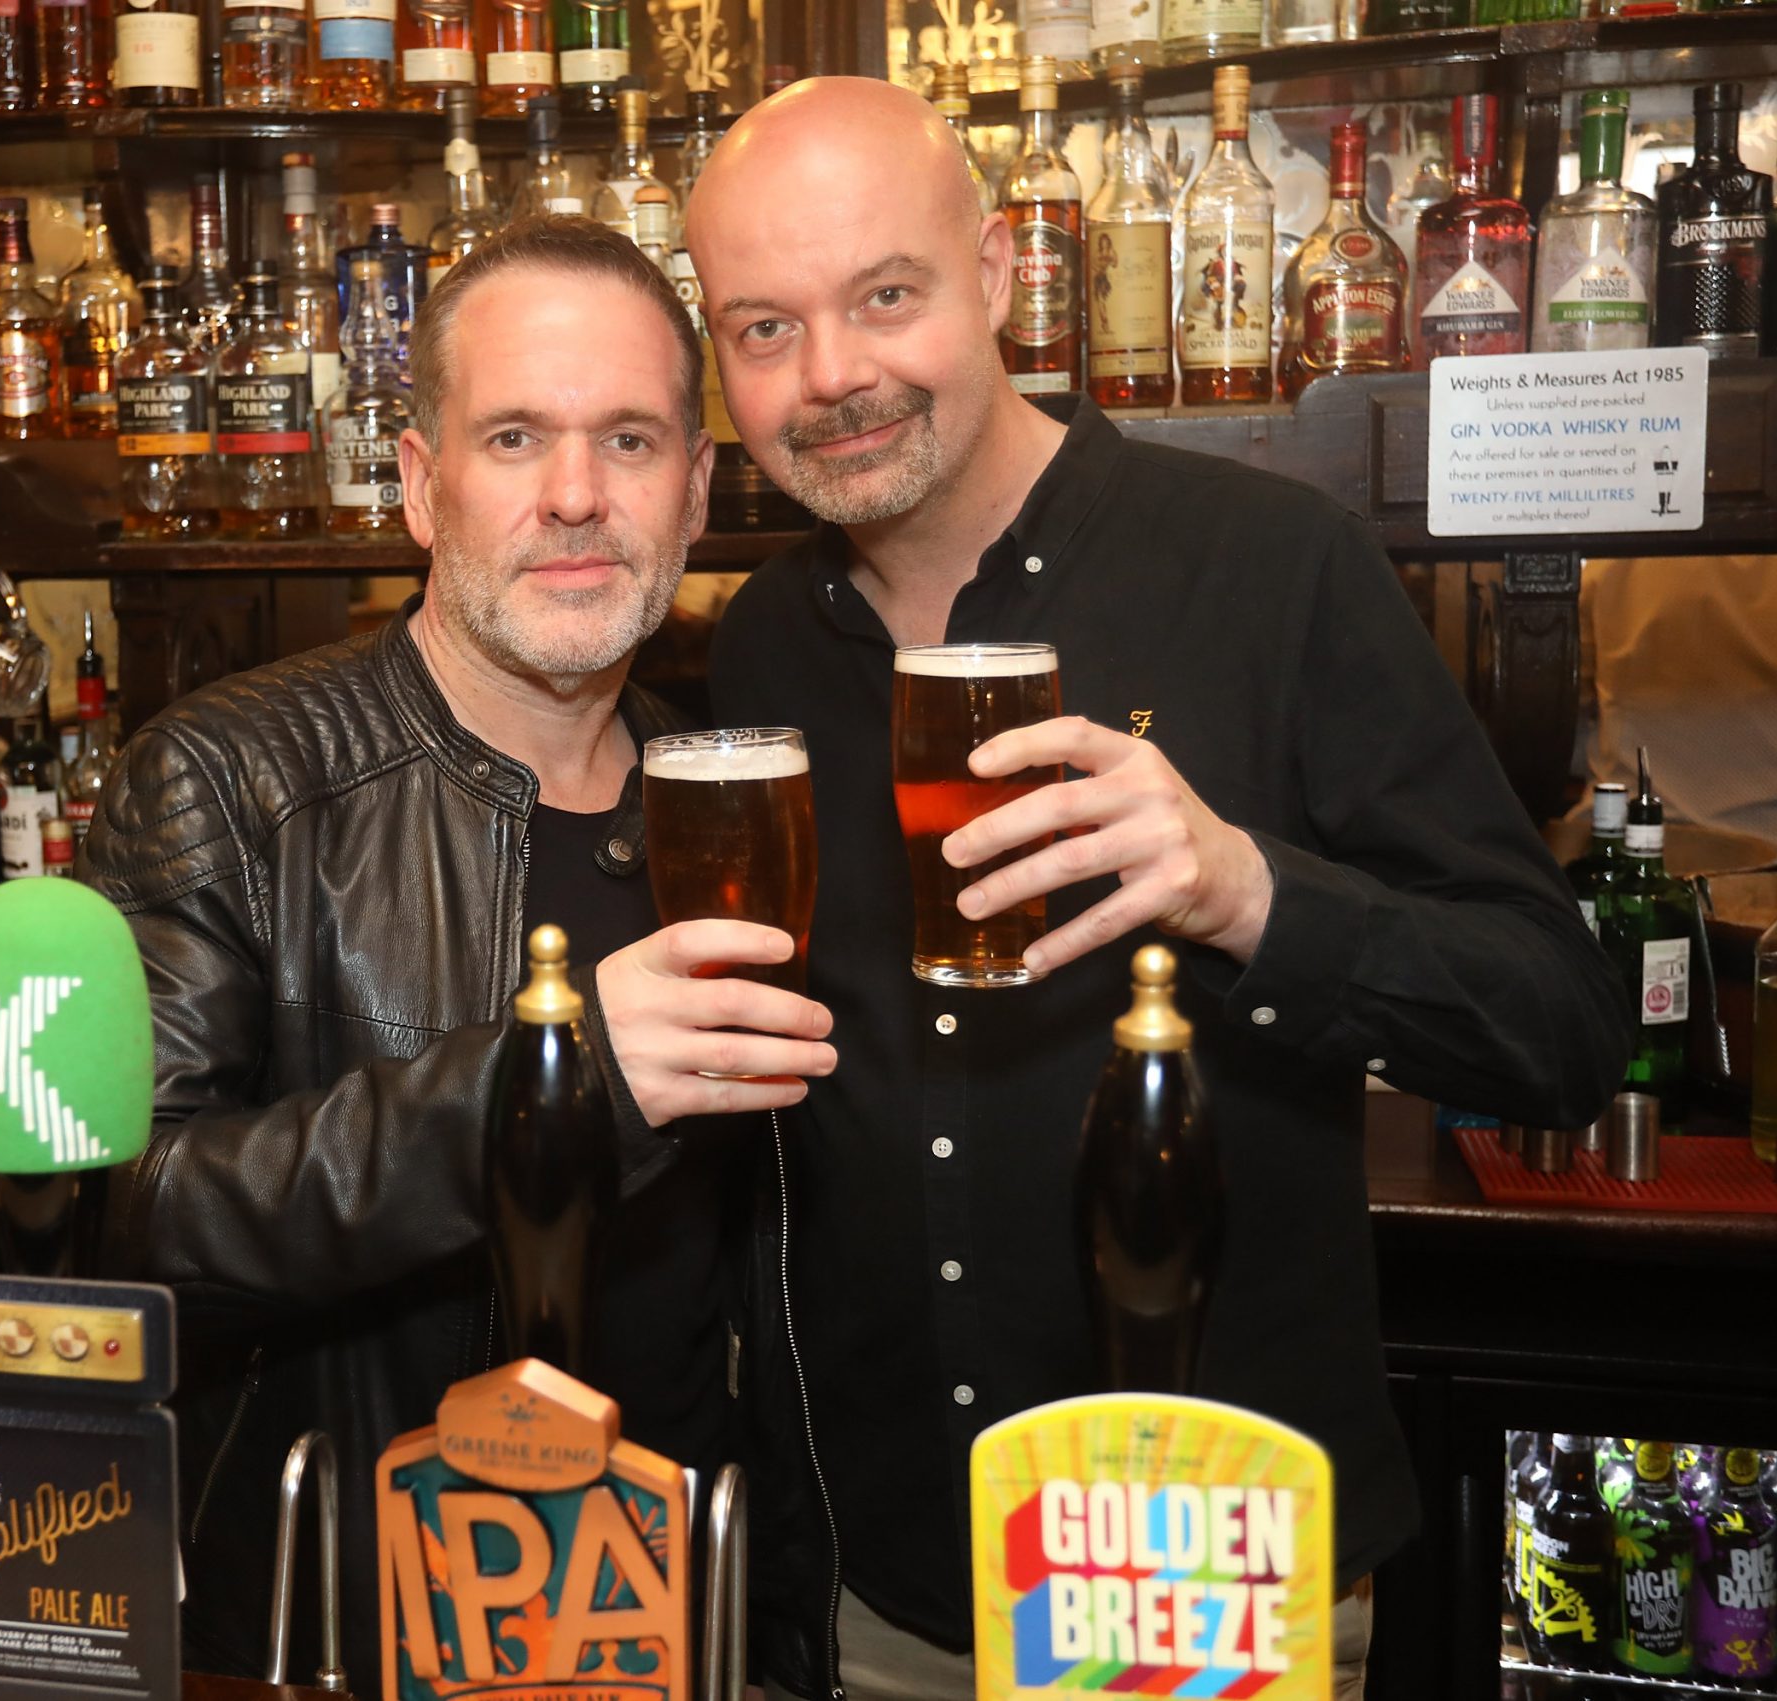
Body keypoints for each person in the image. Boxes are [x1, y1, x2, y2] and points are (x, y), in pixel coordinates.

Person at [682, 78, 1628, 1701]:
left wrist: (1250, 890)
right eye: (764, 328)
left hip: (1202, 1572)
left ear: (1001, 273)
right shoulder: (766, 643)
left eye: (886, 296)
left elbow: (1560, 1028)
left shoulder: (1272, 566)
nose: (829, 375)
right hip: (875, 1590)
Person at [76, 216, 835, 1698]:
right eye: (514, 437)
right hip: (354, 1630)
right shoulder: (231, 777)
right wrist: (554, 1087)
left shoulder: (732, 797)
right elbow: (126, 1219)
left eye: (629, 441)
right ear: (422, 485)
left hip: (691, 1620)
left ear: (695, 490)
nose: (576, 495)